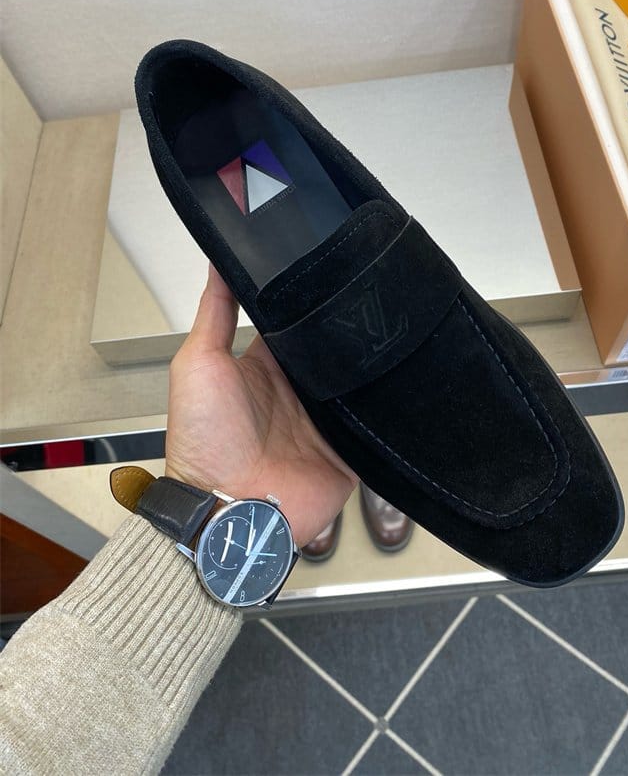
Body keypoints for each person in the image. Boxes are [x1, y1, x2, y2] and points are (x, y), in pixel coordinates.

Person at [0, 266, 359, 775]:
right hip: (237, 511)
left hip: (225, 516)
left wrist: (206, 503)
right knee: (362, 422)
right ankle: (339, 484)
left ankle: (288, 518)